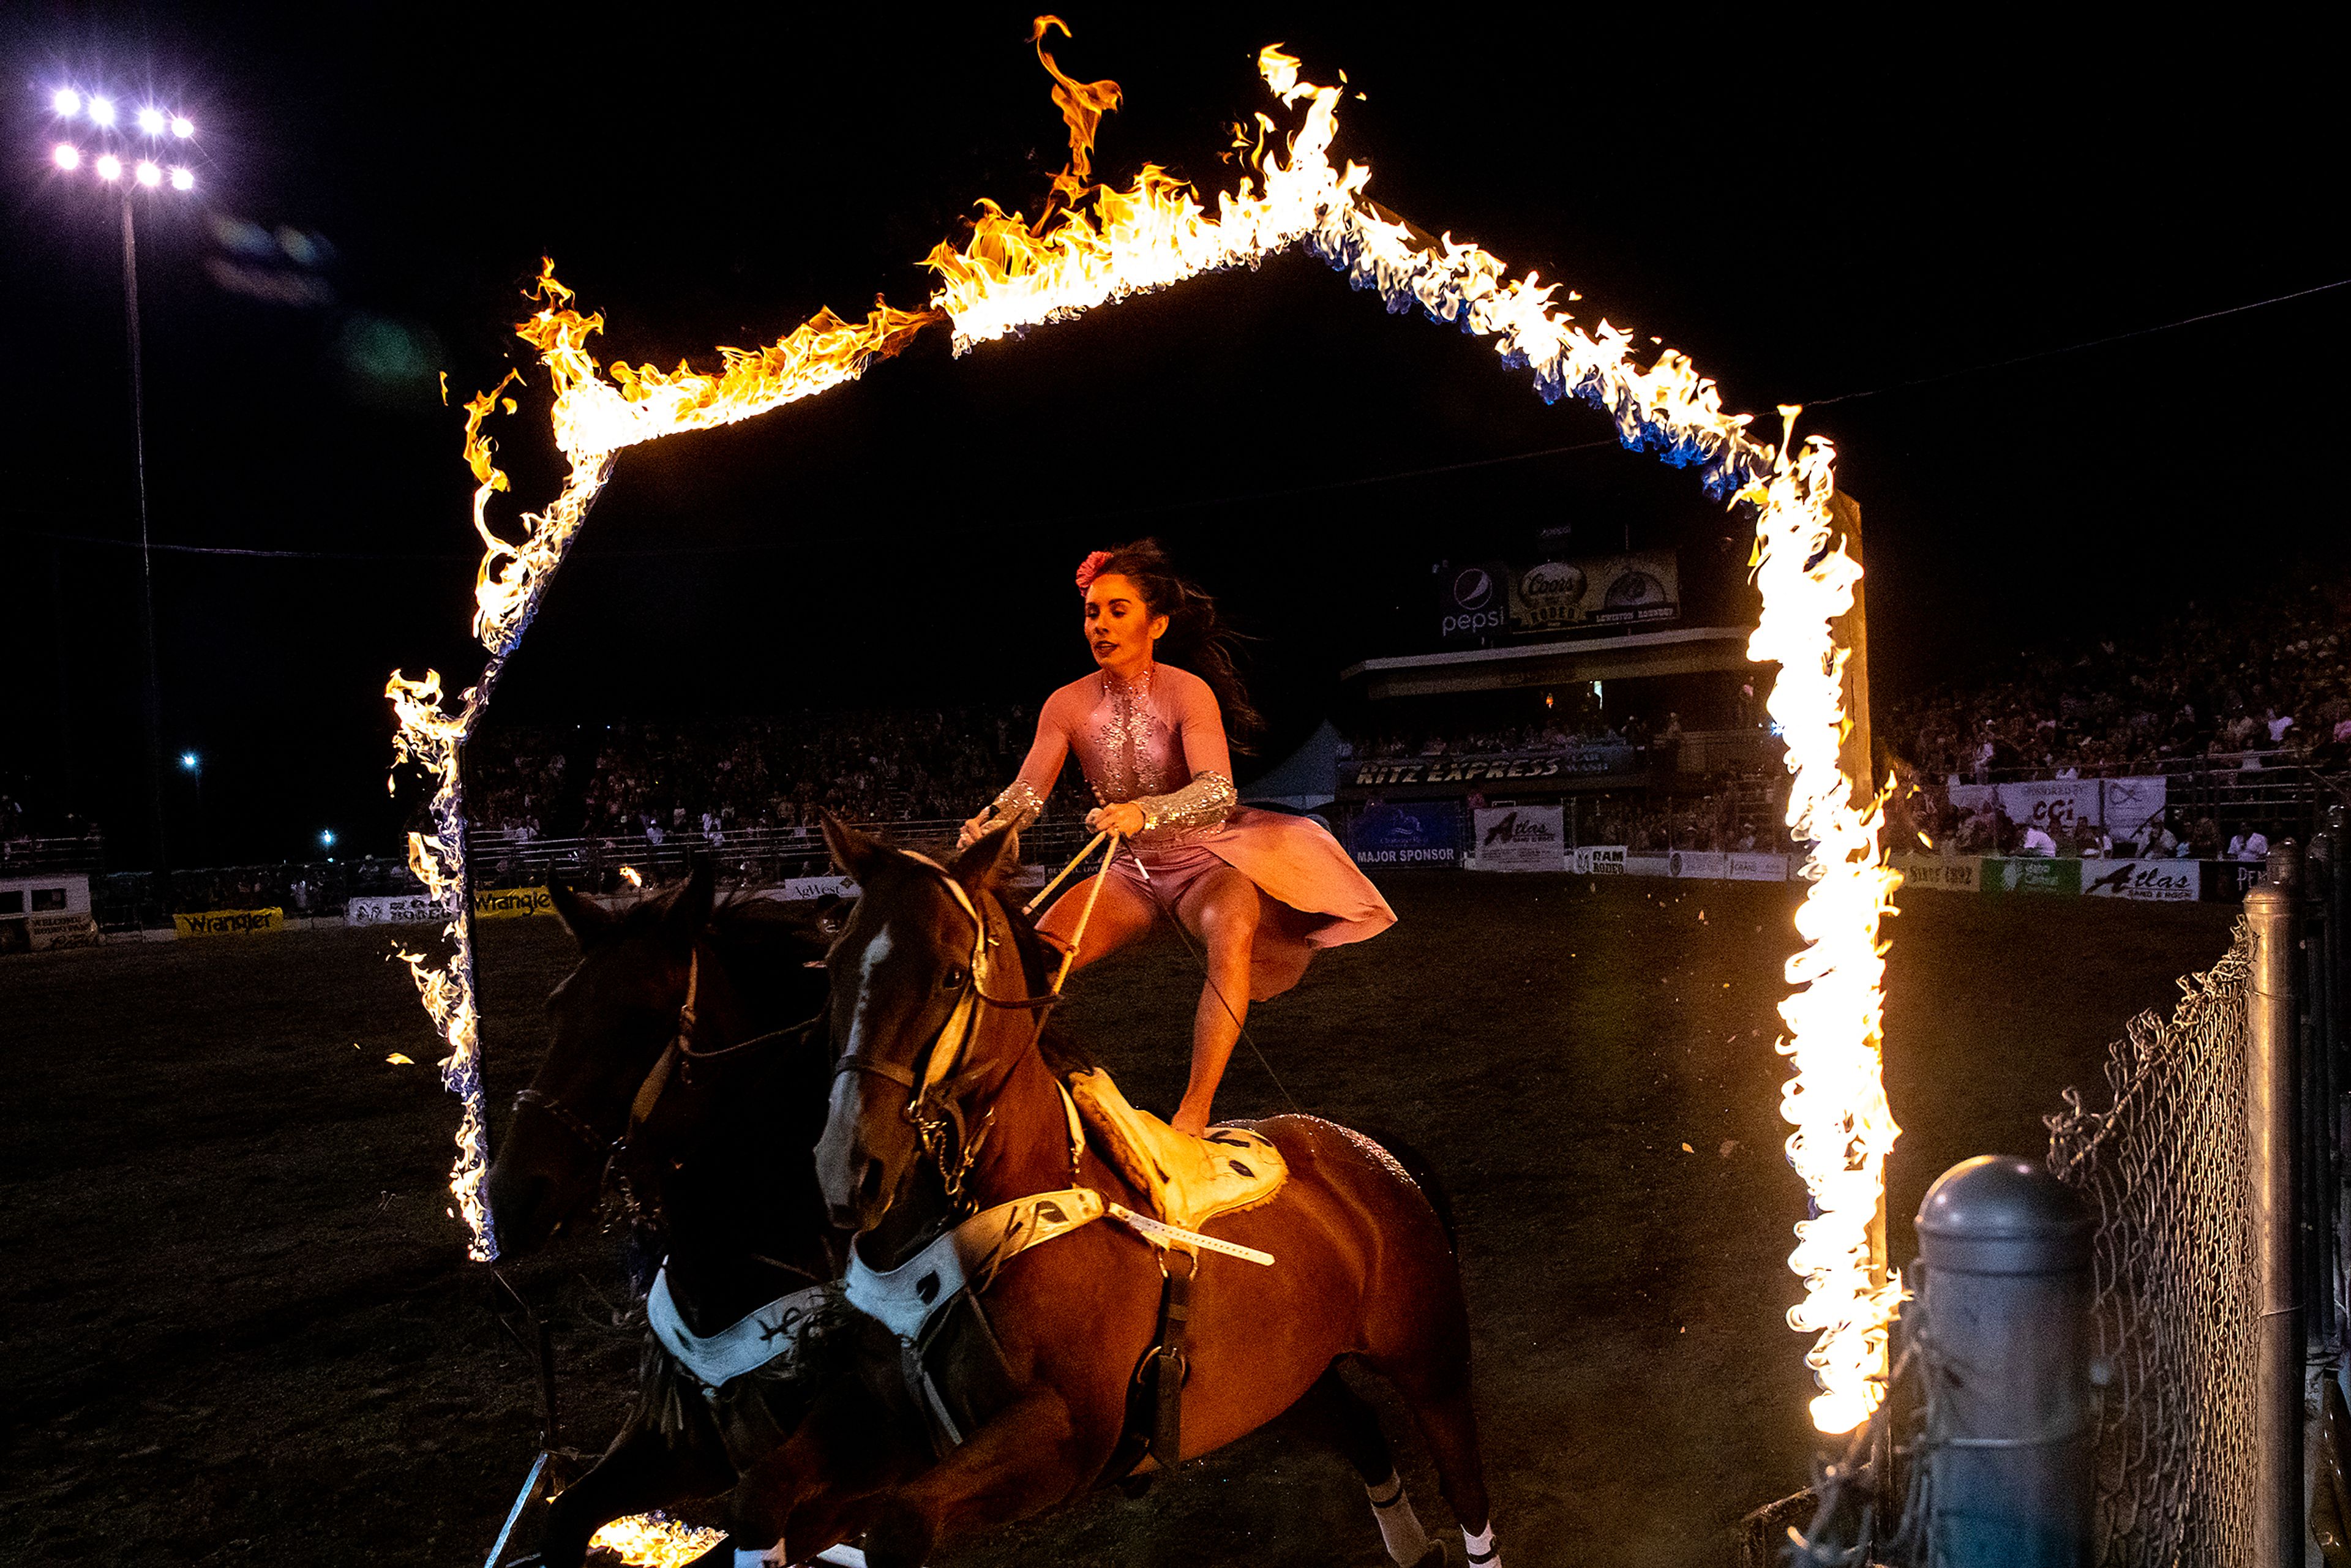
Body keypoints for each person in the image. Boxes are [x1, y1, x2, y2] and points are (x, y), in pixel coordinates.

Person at [960, 541, 1395, 1135]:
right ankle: (998, 1099)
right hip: (1129, 874)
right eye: (1092, 611)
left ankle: (1193, 1111)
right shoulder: (1065, 704)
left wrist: (1143, 811)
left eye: (1117, 609)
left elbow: (1217, 791)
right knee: (1033, 960)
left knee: (1232, 933)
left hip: (1207, 864)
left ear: (1156, 622)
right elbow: (1027, 795)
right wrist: (991, 825)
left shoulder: (1188, 692)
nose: (1101, 624)